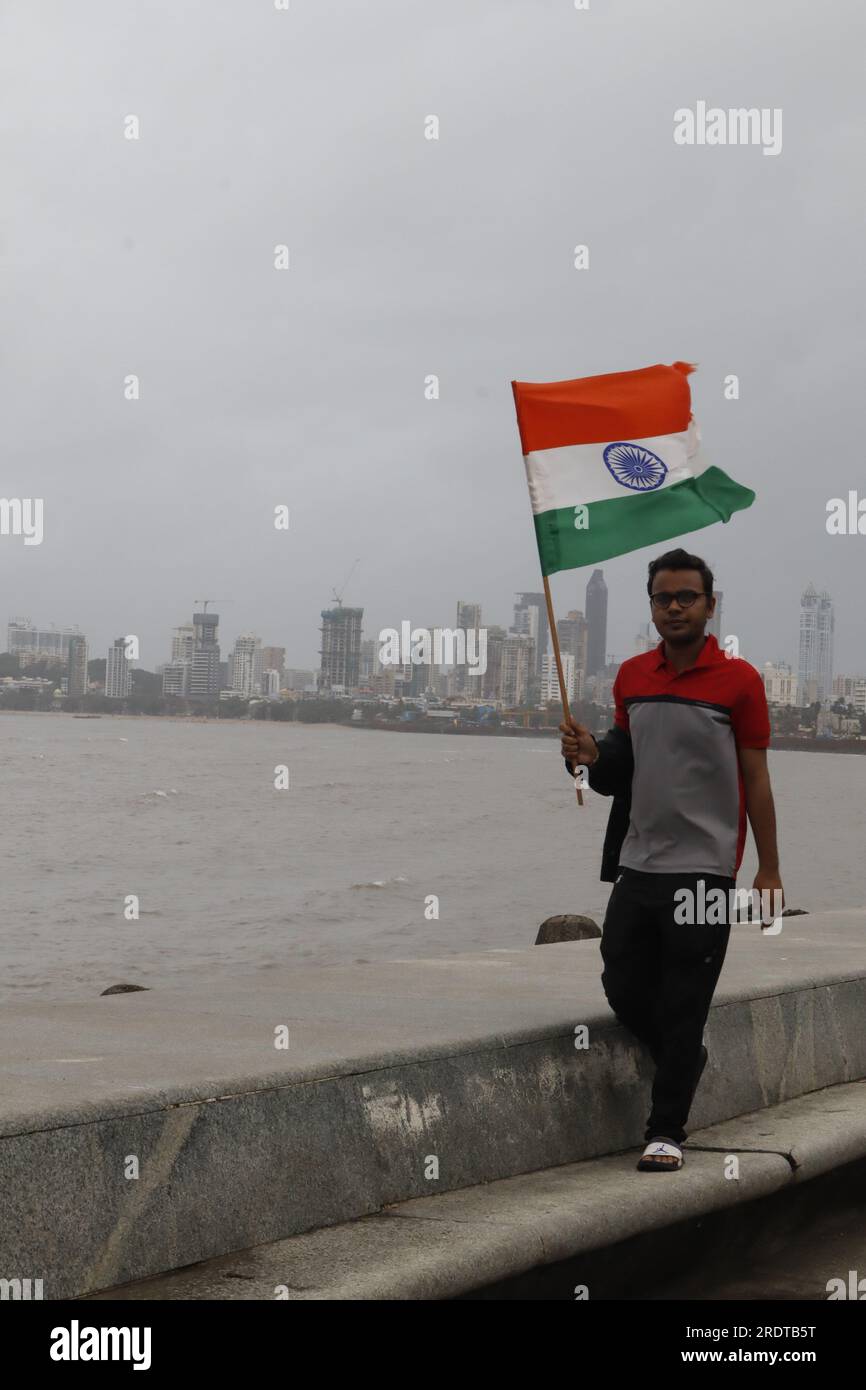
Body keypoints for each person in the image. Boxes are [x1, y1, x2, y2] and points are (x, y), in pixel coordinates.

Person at [560, 548, 783, 1172]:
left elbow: (757, 780)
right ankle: (685, 1055)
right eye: (664, 597)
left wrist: (768, 869)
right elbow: (622, 764)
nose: (675, 606)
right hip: (640, 861)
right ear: (651, 605)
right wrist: (589, 754)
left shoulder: (739, 682)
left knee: (687, 997)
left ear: (710, 605)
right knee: (621, 979)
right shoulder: (631, 677)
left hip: (708, 867)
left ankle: (666, 1131)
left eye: (688, 596)